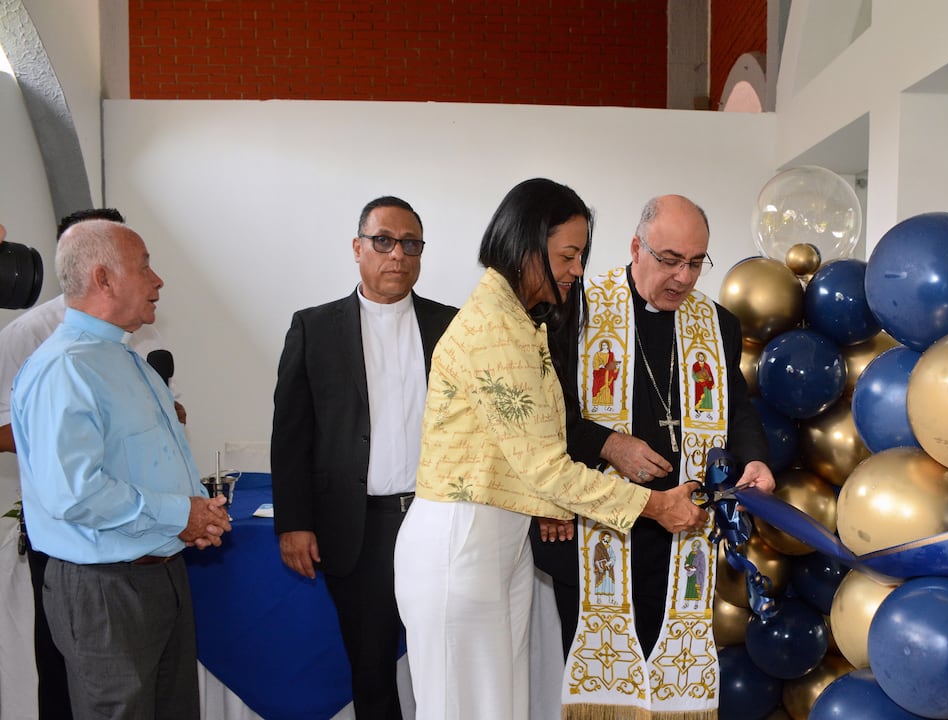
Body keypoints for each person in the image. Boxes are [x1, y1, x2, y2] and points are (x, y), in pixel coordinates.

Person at [393, 178, 707, 720]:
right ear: (524, 244)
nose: (578, 269)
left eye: (581, 255)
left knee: (503, 705)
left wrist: (551, 506)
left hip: (501, 538)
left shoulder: (522, 320)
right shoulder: (495, 329)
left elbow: (539, 441)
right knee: (460, 707)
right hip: (460, 542)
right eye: (568, 254)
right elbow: (545, 467)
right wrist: (655, 505)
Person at [531, 194, 776, 719]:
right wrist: (608, 443)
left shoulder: (717, 325)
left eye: (695, 262)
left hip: (683, 530)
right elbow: (545, 417)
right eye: (669, 260)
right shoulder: (576, 308)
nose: (684, 278)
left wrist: (756, 459)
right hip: (596, 530)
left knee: (672, 666)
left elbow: (736, 408)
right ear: (635, 248)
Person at [10, 218, 231, 718]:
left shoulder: (123, 358)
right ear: (103, 279)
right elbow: (75, 493)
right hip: (104, 591)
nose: (158, 281)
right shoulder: (65, 368)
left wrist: (194, 518)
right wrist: (181, 514)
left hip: (160, 575)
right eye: (146, 266)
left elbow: (144, 465)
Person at [271, 195, 456, 719]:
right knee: (372, 669)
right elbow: (290, 434)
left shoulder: (453, 327)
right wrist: (294, 522)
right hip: (360, 527)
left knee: (442, 662)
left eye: (410, 244)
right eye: (383, 241)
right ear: (358, 248)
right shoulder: (314, 328)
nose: (397, 254)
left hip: (437, 520)